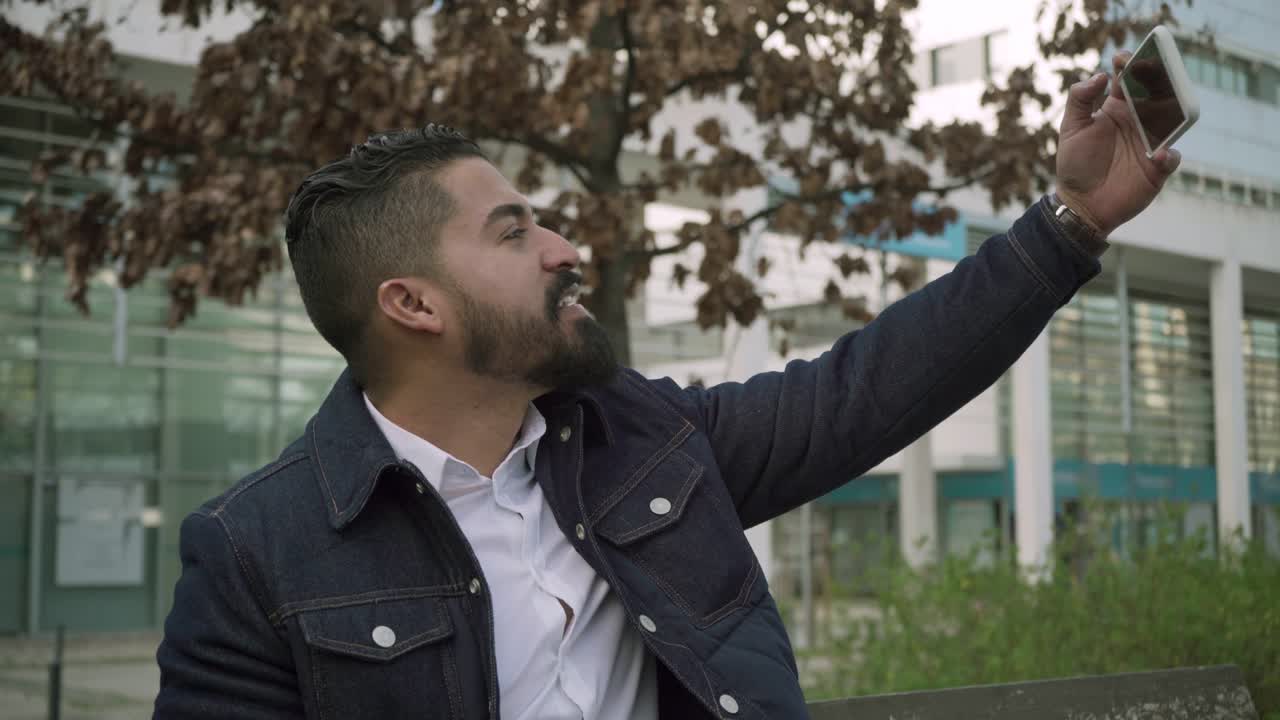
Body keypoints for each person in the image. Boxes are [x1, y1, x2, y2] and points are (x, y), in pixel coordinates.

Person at [153, 49, 1181, 720]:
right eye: (514, 232)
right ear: (412, 306)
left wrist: (1071, 221)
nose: (564, 246)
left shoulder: (640, 441)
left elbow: (859, 393)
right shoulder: (254, 557)